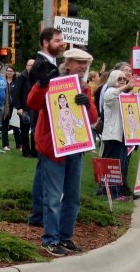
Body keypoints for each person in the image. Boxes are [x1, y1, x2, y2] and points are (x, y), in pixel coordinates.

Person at [27, 47, 97, 257]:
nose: (83, 67)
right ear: (68, 64)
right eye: (79, 63)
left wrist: (87, 105)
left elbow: (92, 119)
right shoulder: (54, 81)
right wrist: (41, 84)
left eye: (86, 64)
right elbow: (32, 103)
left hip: (75, 148)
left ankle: (65, 237)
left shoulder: (83, 87)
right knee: (53, 197)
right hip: (53, 149)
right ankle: (50, 239)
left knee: (73, 198)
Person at [27, 27, 65, 227]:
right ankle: (40, 213)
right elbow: (35, 99)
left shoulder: (52, 63)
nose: (62, 44)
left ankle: (38, 213)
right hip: (44, 123)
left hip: (52, 122)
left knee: (42, 171)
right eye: (57, 40)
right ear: (45, 42)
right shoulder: (40, 66)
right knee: (44, 171)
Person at [101, 70, 138, 200]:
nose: (122, 81)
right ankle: (112, 193)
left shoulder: (122, 93)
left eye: (124, 79)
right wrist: (127, 87)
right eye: (119, 79)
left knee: (120, 164)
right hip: (113, 135)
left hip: (122, 135)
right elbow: (109, 97)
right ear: (113, 80)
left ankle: (113, 191)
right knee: (113, 165)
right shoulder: (110, 91)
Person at [14, 59, 35, 157]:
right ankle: (26, 151)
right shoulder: (21, 77)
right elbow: (16, 93)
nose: (31, 67)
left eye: (33, 65)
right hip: (24, 108)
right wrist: (18, 107)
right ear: (26, 66)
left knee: (35, 131)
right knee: (25, 130)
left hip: (35, 108)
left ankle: (35, 151)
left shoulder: (37, 77)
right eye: (30, 65)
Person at [0, 65, 21, 151]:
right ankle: (6, 144)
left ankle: (19, 145)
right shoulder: (3, 82)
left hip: (15, 106)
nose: (9, 72)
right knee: (4, 126)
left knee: (16, 126)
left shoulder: (17, 82)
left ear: (14, 72)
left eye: (11, 71)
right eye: (8, 71)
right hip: (5, 106)